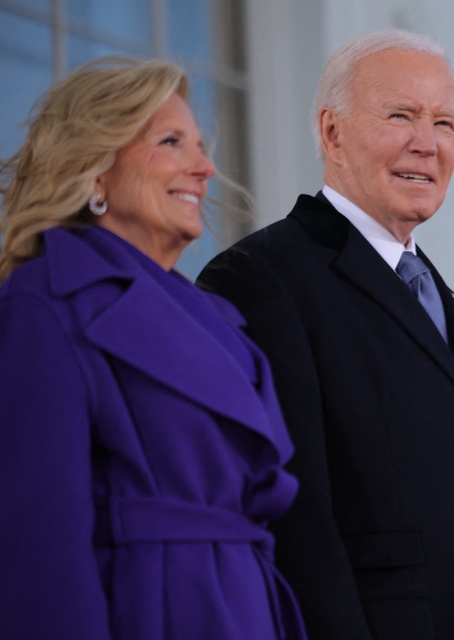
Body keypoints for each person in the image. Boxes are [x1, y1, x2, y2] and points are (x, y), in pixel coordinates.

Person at [197, 29, 454, 640]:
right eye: (401, 115)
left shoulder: (434, 286)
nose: (426, 144)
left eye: (445, 123)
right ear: (332, 133)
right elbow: (293, 516)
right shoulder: (261, 278)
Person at [0, 57, 305, 639]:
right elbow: (37, 546)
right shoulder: (44, 304)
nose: (206, 168)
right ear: (94, 171)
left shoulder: (216, 318)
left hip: (243, 606)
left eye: (201, 145)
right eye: (172, 142)